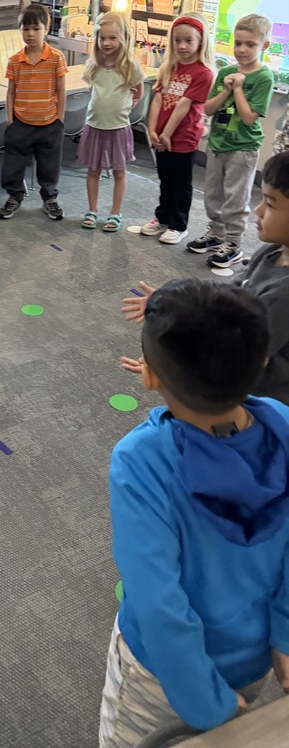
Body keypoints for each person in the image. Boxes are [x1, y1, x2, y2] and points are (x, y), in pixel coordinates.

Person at [100, 278, 289, 747]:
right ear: (262, 363)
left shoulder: (140, 461)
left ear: (149, 376)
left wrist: (205, 701)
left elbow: (157, 600)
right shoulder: (284, 424)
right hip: (255, 658)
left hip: (162, 680)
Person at [123, 150, 289, 404]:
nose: (257, 210)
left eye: (270, 203)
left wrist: (170, 365)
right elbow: (228, 296)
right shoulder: (272, 252)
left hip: (258, 403)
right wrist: (175, 303)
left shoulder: (283, 293)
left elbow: (240, 358)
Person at [187, 14, 274, 268]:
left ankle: (233, 244)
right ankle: (216, 234)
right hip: (217, 143)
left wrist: (237, 89)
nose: (242, 50)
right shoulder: (225, 71)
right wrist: (226, 88)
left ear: (264, 46)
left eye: (250, 44)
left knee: (236, 198)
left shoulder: (264, 78)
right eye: (238, 43)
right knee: (212, 194)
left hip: (243, 148)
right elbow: (209, 109)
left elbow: (248, 118)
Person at [140, 13, 215, 244]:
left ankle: (178, 225)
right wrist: (152, 131)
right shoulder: (168, 68)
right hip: (163, 137)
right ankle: (162, 217)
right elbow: (158, 100)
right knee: (165, 179)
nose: (182, 46)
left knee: (181, 183)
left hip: (183, 138)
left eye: (188, 40)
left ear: (200, 41)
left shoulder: (203, 73)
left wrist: (166, 134)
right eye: (177, 40)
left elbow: (183, 105)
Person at [0, 3, 67, 221]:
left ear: (46, 29)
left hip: (49, 123)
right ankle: (15, 196)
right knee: (13, 165)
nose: (30, 34)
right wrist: (10, 120)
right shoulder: (15, 60)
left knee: (49, 166)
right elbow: (11, 92)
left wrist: (59, 119)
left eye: (36, 28)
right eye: (25, 29)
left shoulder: (56, 58)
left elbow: (61, 90)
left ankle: (49, 198)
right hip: (21, 123)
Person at [78, 12, 144, 232]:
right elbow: (92, 90)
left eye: (112, 38)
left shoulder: (130, 66)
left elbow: (138, 91)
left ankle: (115, 212)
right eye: (102, 37)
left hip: (118, 127)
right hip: (94, 126)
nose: (106, 43)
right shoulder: (93, 66)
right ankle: (92, 209)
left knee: (119, 171)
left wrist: (126, 105)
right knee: (93, 170)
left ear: (123, 38)